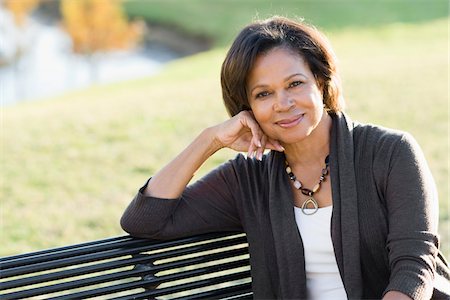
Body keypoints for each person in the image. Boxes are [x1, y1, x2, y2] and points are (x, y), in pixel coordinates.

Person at [121, 16, 450, 299]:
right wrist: (210, 140)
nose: (283, 103)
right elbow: (145, 220)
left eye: (295, 84)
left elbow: (413, 267)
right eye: (263, 94)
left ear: (320, 83)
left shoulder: (390, 152)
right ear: (247, 108)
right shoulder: (247, 178)